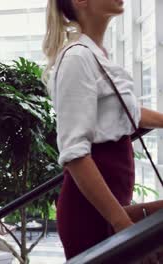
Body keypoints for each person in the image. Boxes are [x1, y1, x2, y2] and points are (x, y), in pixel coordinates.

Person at [42, 0, 163, 260]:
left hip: (111, 203)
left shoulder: (95, 54)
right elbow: (75, 155)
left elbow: (128, 111)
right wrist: (123, 227)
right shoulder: (76, 58)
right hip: (91, 212)